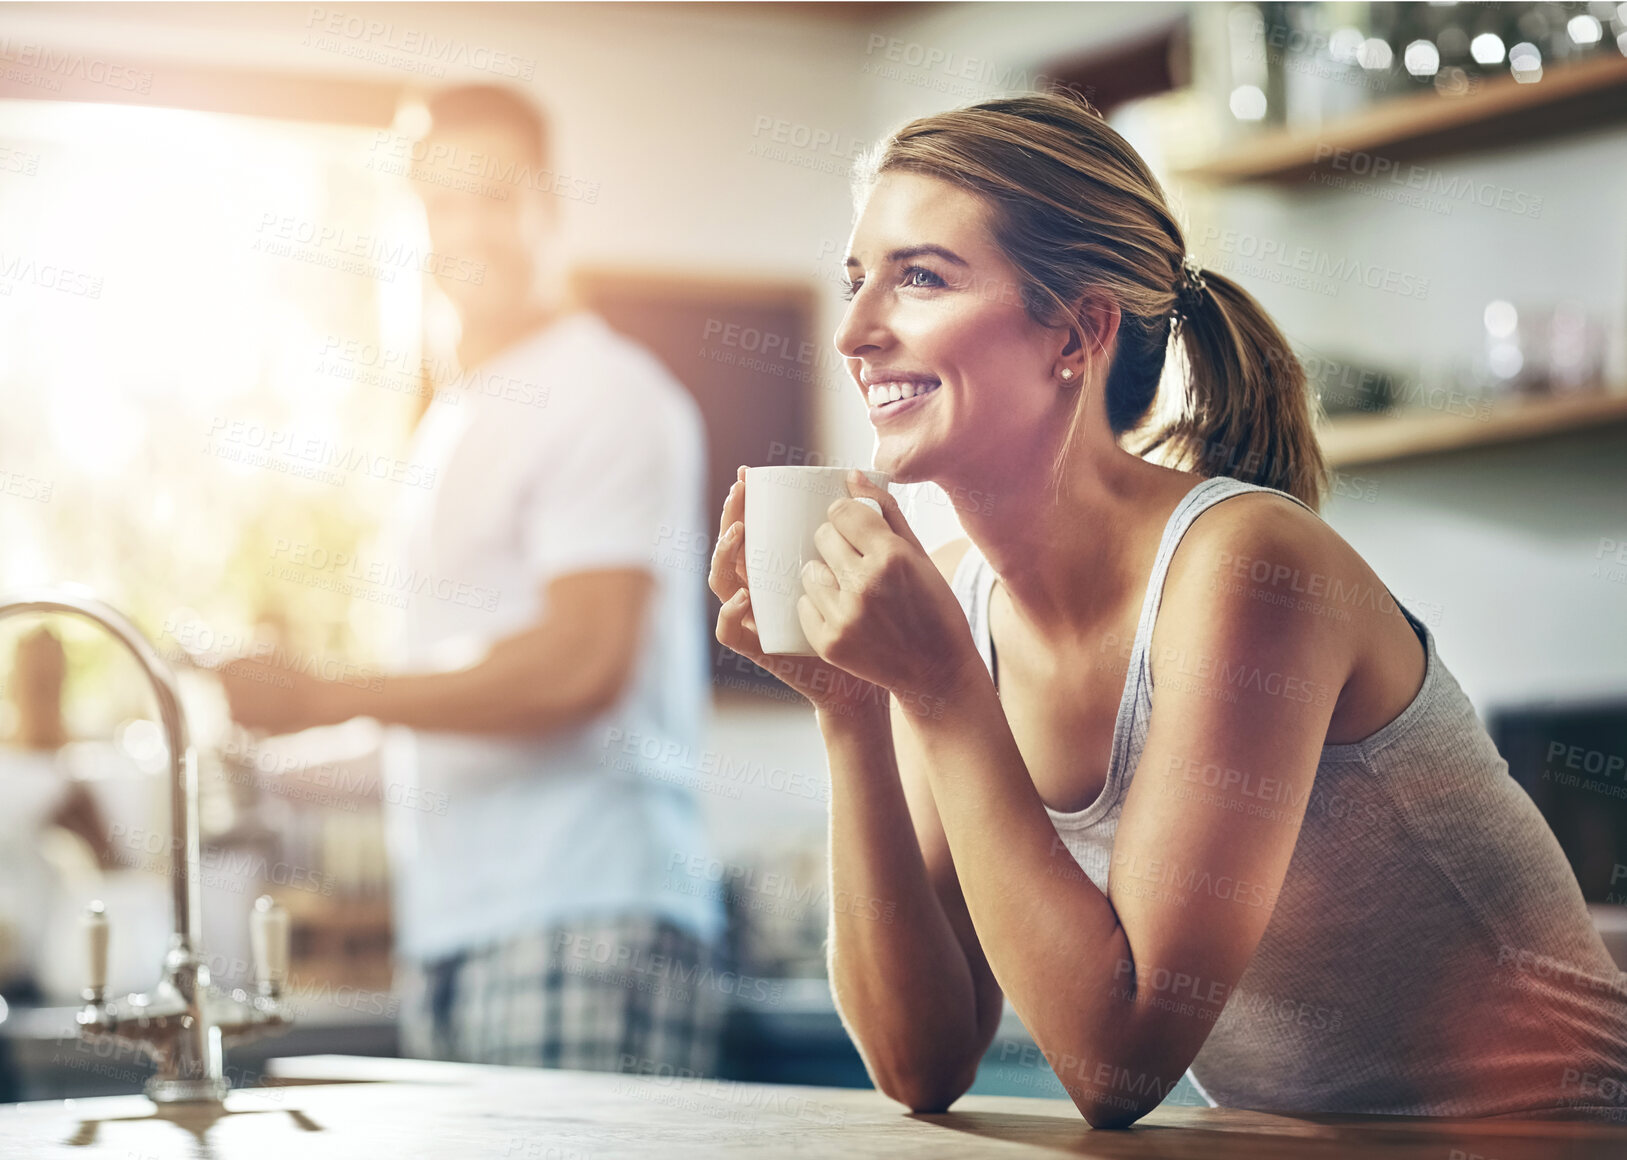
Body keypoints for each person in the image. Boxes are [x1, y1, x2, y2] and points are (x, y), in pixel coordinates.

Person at [708, 92, 1627, 1127]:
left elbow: (1117, 1065)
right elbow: (921, 1060)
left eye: (919, 276)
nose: (853, 333)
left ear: (1078, 328)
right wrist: (852, 709)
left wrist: (936, 686)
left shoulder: (1244, 566)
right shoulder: (957, 601)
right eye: (855, 280)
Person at [222, 84, 726, 1075]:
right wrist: (275, 746)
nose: (467, 230)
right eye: (440, 204)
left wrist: (322, 689)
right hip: (457, 928)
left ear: (550, 203)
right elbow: (445, 700)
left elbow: (576, 665)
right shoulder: (452, 419)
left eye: (495, 197)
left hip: (586, 912)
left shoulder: (605, 394)